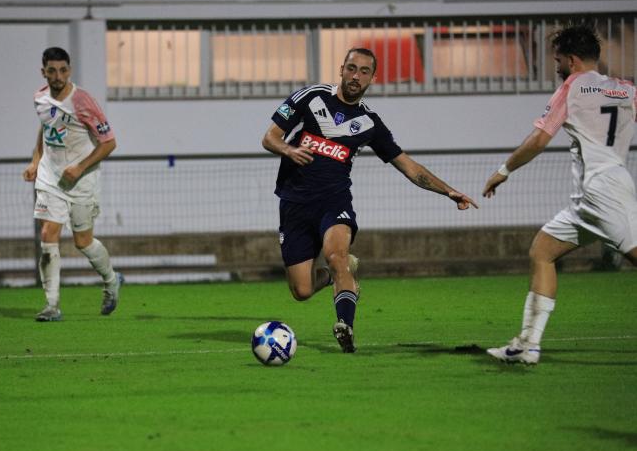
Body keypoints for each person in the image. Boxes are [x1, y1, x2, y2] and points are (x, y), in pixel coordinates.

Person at [261, 48, 478, 353]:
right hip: (294, 203)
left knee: (335, 255)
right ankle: (344, 271)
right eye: (352, 68)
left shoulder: (369, 123)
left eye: (364, 71)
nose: (356, 76)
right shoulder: (309, 97)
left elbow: (406, 164)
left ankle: (345, 326)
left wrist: (448, 190)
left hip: (334, 201)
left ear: (372, 78)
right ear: (341, 69)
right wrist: (289, 151)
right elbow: (269, 137)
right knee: (302, 290)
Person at [483, 23, 637, 364]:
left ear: (571, 60)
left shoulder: (572, 88)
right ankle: (528, 345)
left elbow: (539, 139)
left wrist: (503, 171)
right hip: (597, 191)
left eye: (558, 61)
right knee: (543, 250)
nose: (556, 68)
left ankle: (528, 345)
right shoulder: (626, 89)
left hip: (604, 191)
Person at [22, 47, 123, 322]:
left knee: (83, 242)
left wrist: (79, 168)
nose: (58, 76)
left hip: (83, 180)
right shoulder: (39, 98)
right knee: (48, 233)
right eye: (52, 70)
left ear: (69, 70)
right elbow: (45, 127)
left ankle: (112, 280)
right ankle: (51, 305)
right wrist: (35, 161)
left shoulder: (83, 102)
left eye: (63, 70)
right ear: (43, 71)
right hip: (51, 178)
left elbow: (109, 143)